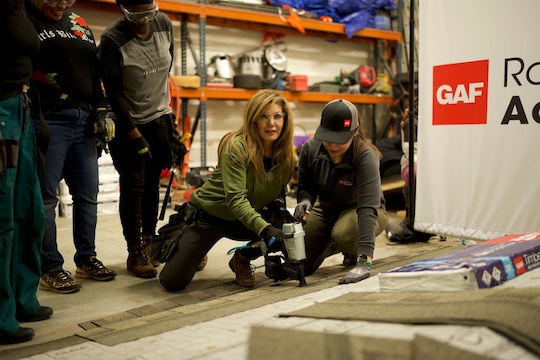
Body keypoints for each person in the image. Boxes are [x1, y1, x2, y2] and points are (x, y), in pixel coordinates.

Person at [159, 89, 296, 291]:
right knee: (172, 282)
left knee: (283, 224)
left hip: (244, 218)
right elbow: (236, 200)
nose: (271, 123)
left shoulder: (285, 154)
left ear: (285, 119)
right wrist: (265, 229)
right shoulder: (236, 146)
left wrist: (280, 210)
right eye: (264, 117)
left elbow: (275, 192)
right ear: (253, 119)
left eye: (277, 116)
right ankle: (195, 248)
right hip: (211, 216)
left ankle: (242, 258)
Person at [26, 0, 116, 294]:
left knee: (88, 194)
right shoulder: (22, 19)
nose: (60, 4)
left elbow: (93, 71)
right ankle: (49, 267)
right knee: (46, 198)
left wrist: (101, 109)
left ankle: (86, 258)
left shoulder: (77, 22)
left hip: (84, 119)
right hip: (49, 119)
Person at [98, 0, 180, 278]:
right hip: (127, 121)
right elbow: (114, 93)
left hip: (159, 119)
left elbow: (167, 66)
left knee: (152, 182)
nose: (145, 19)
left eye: (150, 12)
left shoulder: (165, 24)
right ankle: (135, 250)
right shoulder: (112, 40)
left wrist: (165, 118)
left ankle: (148, 240)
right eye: (137, 14)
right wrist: (134, 134)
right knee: (134, 185)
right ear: (122, 10)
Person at [0, 0, 54, 345]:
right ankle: (2, 316)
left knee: (29, 210)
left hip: (20, 107)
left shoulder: (17, 6)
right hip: (1, 111)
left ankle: (24, 297)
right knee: (2, 218)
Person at [293, 99, 388, 284]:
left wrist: (364, 263)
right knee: (302, 264)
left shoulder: (366, 156)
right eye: (328, 138)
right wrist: (304, 201)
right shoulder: (309, 150)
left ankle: (349, 248)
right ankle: (332, 240)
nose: (332, 145)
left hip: (363, 210)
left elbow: (368, 208)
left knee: (344, 234)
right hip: (328, 208)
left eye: (339, 139)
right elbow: (306, 188)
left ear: (355, 132)